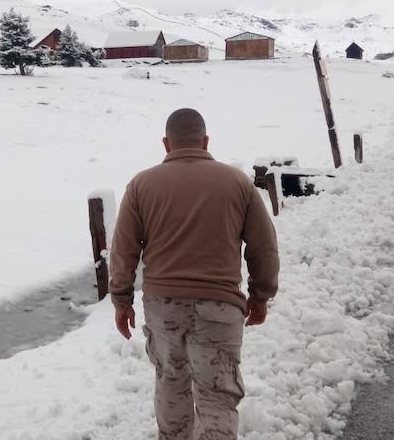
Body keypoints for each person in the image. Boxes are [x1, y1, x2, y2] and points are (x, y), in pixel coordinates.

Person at [109, 108, 280, 439]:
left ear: (165, 143)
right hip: (219, 307)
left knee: (171, 383)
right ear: (205, 141)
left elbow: (123, 250)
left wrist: (121, 300)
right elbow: (264, 247)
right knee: (217, 397)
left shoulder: (141, 185)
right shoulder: (237, 182)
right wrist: (261, 296)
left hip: (163, 308)